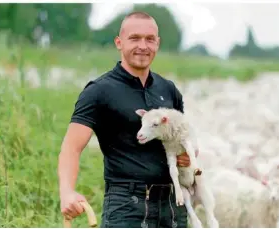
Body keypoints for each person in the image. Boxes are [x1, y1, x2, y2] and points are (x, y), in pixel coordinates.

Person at [58, 11, 197, 228]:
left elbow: (183, 138)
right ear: (119, 42)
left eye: (149, 39)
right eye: (134, 38)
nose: (143, 46)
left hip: (172, 205)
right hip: (126, 207)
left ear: (157, 44)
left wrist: (187, 157)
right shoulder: (99, 91)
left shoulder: (169, 90)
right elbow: (71, 148)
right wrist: (66, 192)